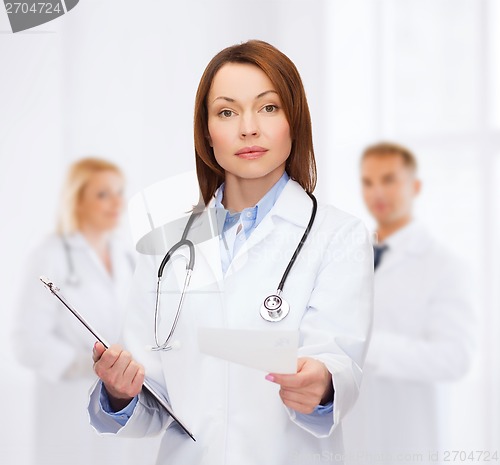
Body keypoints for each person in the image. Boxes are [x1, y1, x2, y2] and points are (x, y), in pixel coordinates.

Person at [88, 40, 374, 465]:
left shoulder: (340, 236)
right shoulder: (166, 246)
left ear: (294, 120)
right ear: (207, 131)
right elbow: (154, 398)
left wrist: (323, 385)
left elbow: (339, 361)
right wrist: (119, 391)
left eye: (268, 108)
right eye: (226, 111)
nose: (248, 128)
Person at [13, 158, 160, 465]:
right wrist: (85, 365)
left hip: (124, 398)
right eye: (103, 194)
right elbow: (27, 342)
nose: (116, 202)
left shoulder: (126, 257)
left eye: (120, 192)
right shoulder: (49, 254)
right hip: (68, 404)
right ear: (77, 199)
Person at [342, 142, 476, 465]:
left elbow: (455, 358)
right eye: (368, 182)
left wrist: (367, 347)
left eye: (389, 180)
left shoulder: (444, 265)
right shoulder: (349, 256)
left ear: (415, 186)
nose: (377, 193)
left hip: (407, 441)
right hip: (350, 437)